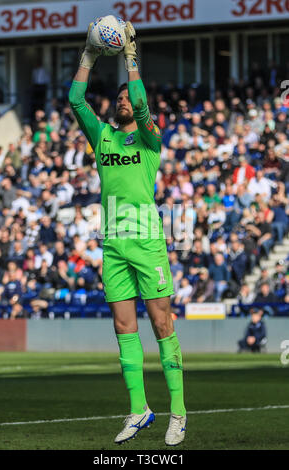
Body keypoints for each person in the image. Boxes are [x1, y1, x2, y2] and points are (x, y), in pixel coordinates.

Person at [69, 21, 186, 446]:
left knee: (161, 324)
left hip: (147, 241)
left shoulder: (151, 140)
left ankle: (179, 413)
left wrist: (130, 58)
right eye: (117, 98)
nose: (123, 103)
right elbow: (74, 99)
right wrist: (88, 55)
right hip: (113, 244)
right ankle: (139, 410)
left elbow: (140, 103)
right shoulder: (102, 138)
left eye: (128, 99)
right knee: (123, 327)